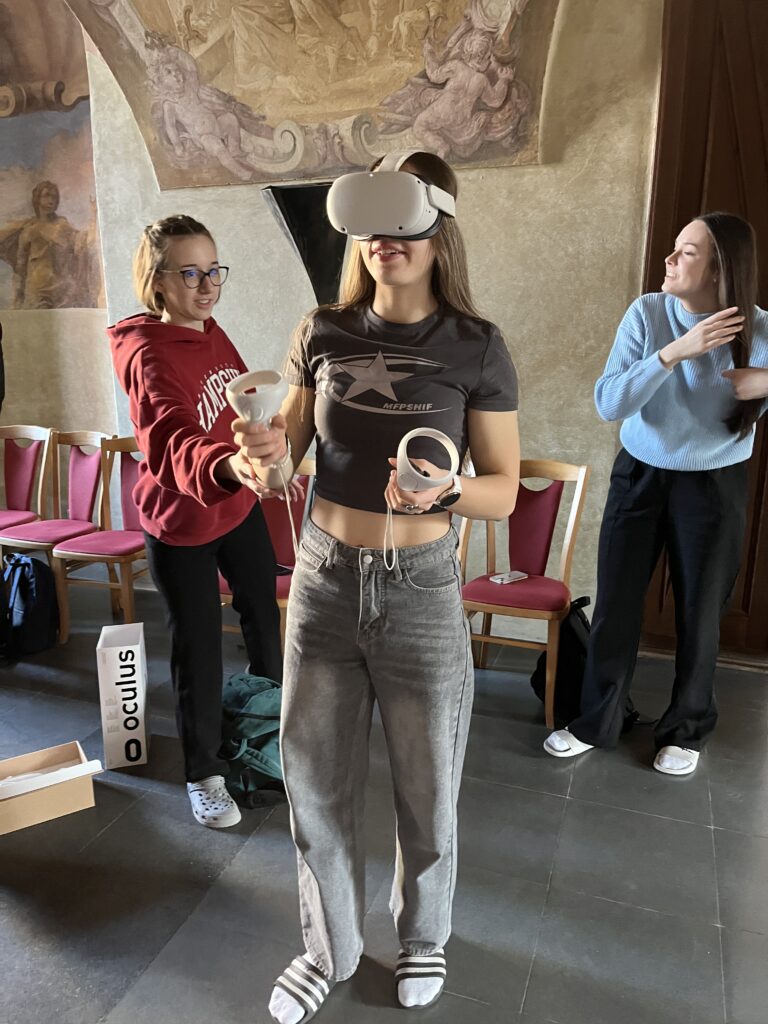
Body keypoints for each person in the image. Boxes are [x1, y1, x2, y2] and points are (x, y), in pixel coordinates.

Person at [233, 151, 520, 1023]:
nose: (383, 240)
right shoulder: (322, 331)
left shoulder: (475, 345)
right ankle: (328, 949)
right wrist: (258, 459)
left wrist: (445, 492)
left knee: (427, 787)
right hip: (323, 581)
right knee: (313, 782)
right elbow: (282, 460)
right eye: (370, 225)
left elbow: (504, 488)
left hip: (421, 588)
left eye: (402, 223)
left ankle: (423, 934)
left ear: (438, 230)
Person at [544, 212, 768, 776]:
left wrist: (766, 379)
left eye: (687, 252)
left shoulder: (760, 329)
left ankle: (686, 730)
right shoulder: (647, 313)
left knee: (700, 613)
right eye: (674, 247)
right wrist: (674, 353)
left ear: (720, 271)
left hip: (714, 484)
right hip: (639, 473)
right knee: (616, 604)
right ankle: (596, 721)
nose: (669, 259)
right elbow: (609, 403)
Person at [108, 214, 283, 828]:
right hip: (181, 522)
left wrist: (268, 437)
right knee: (199, 648)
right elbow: (172, 438)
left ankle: (269, 730)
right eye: (190, 273)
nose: (207, 286)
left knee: (265, 618)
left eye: (214, 271)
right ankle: (203, 774)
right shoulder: (148, 353)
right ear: (157, 280)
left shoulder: (210, 330)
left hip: (235, 506)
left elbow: (237, 400)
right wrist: (230, 465)